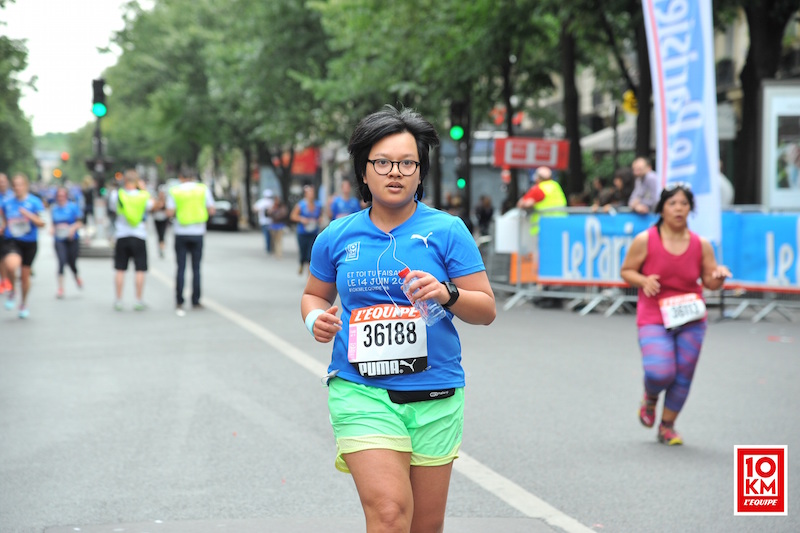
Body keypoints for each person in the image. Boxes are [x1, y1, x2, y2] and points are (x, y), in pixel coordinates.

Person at [300, 105, 496, 533]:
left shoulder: (447, 231)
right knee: (389, 515)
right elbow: (315, 295)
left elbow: (486, 309)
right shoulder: (336, 235)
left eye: (408, 163)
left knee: (424, 526)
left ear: (420, 173)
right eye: (383, 162)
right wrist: (315, 318)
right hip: (360, 391)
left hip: (435, 395)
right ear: (364, 172)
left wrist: (448, 294)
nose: (396, 172)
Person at [620, 183, 731, 446]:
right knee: (660, 371)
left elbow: (710, 282)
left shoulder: (700, 244)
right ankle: (650, 397)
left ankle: (667, 426)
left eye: (684, 203)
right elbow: (626, 271)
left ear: (690, 209)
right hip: (654, 316)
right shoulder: (646, 239)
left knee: (683, 373)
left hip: (691, 318)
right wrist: (643, 280)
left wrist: (719, 277)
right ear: (662, 208)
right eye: (673, 203)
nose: (679, 208)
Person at [166, 168, 215, 316]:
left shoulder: (175, 190)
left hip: (181, 232)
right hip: (198, 232)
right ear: (193, 177)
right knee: (196, 268)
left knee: (180, 267)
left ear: (180, 177)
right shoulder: (202, 189)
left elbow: (169, 212)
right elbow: (211, 209)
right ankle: (196, 300)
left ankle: (179, 300)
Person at [0, 173, 46, 318]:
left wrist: (29, 215)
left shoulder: (35, 202)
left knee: (25, 277)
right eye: (15, 185)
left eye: (20, 185)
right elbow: (5, 221)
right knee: (12, 265)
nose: (18, 188)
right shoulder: (7, 203)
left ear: (25, 186)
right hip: (12, 241)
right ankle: (13, 290)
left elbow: (42, 223)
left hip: (30, 243)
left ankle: (23, 303)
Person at [109, 169, 154, 311]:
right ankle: (139, 300)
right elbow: (152, 206)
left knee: (120, 269)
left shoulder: (117, 195)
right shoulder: (143, 195)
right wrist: (144, 189)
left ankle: (118, 300)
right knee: (140, 269)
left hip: (122, 235)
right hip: (139, 235)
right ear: (137, 181)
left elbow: (113, 209)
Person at [49, 186, 84, 298]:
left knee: (72, 262)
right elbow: (53, 223)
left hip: (72, 239)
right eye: (58, 196)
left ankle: (76, 276)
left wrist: (72, 229)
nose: (61, 198)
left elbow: (79, 222)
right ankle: (60, 288)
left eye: (63, 196)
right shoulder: (54, 208)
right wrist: (52, 229)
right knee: (61, 261)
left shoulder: (73, 207)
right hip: (59, 239)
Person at [290, 183, 322, 275]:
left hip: (313, 232)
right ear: (306, 194)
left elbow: (320, 216)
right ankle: (301, 263)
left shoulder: (318, 205)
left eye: (312, 192)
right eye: (309, 192)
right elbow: (293, 216)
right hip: (302, 233)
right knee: (303, 252)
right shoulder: (301, 205)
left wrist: (319, 219)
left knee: (310, 254)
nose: (311, 194)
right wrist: (302, 219)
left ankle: (309, 275)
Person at [0, 172, 14, 294]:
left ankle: (9, 279)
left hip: (11, 233)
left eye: (3, 181)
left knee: (8, 258)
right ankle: (4, 280)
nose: (1, 184)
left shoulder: (12, 196)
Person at [253, 189, 276, 253]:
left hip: (266, 222)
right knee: (270, 235)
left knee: (267, 235)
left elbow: (254, 209)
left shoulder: (261, 202)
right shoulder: (272, 202)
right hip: (269, 221)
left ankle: (269, 248)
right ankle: (270, 248)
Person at [152, 184, 170, 258]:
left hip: (164, 219)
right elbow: (152, 209)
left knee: (162, 235)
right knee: (159, 235)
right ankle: (160, 247)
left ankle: (162, 248)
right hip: (157, 219)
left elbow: (169, 211)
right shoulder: (156, 200)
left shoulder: (167, 201)